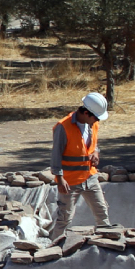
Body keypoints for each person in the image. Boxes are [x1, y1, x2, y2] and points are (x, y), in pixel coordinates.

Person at [49, 91, 113, 242]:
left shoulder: (93, 123)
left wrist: (96, 153)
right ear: (85, 112)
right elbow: (56, 155)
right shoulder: (63, 127)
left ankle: (108, 245)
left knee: (102, 213)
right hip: (69, 181)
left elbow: (94, 144)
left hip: (90, 177)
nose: (97, 121)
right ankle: (53, 250)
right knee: (64, 218)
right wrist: (59, 178)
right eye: (96, 118)